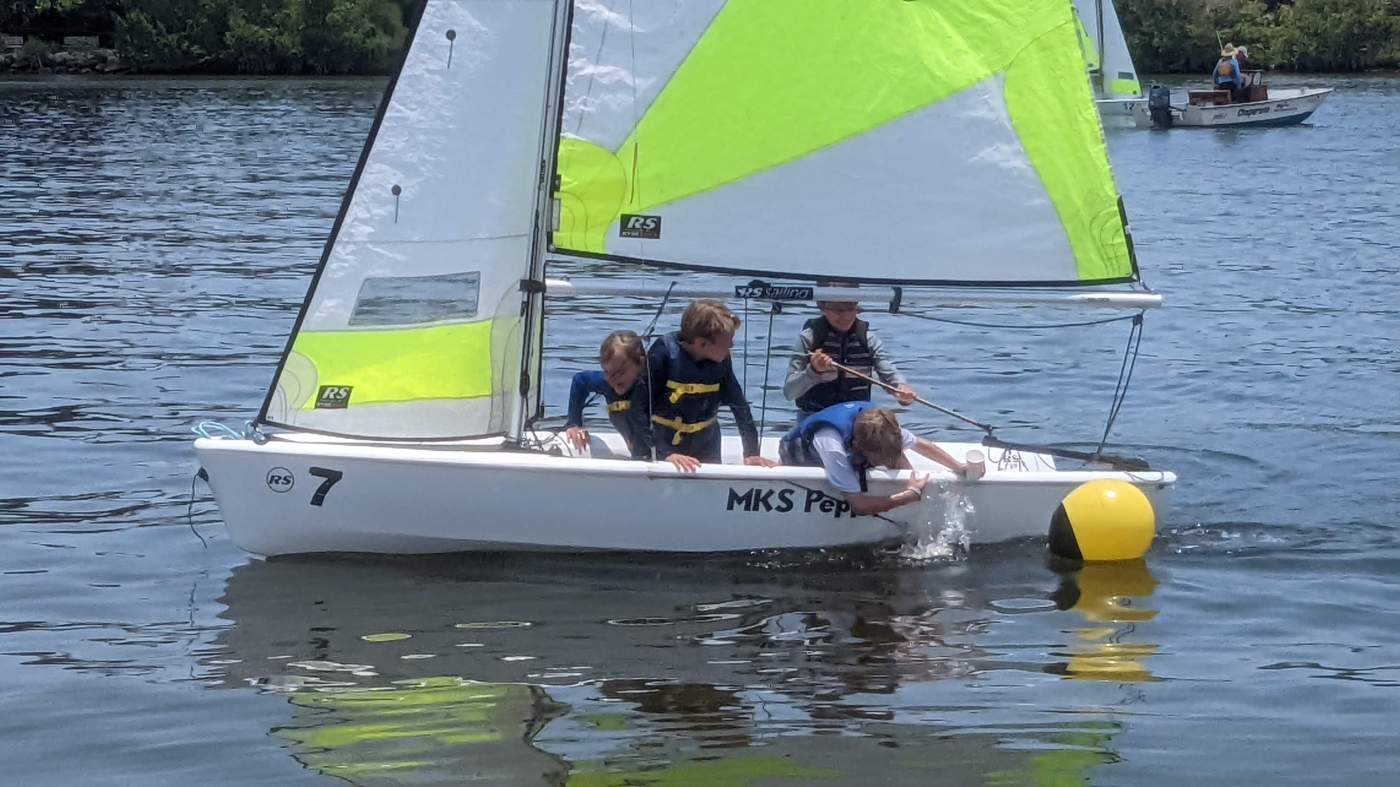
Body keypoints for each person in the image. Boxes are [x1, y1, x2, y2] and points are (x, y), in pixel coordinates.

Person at [638, 299, 778, 472]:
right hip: (666, 445)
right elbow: (639, 409)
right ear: (701, 343)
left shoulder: (722, 362)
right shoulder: (662, 355)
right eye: (728, 341)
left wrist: (751, 453)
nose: (732, 346)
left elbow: (740, 408)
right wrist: (665, 452)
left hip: (707, 442)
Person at [780, 401, 967, 516]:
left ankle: (912, 491)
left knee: (898, 455)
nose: (886, 462)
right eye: (881, 458)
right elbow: (859, 506)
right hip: (800, 457)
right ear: (858, 447)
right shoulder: (832, 444)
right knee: (894, 479)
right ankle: (910, 495)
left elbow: (923, 446)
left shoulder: (883, 428)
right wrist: (907, 497)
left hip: (855, 447)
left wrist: (959, 467)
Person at [783, 292, 916, 419]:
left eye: (851, 308)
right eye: (838, 310)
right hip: (816, 417)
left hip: (858, 418)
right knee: (829, 438)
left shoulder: (868, 340)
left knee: (898, 436)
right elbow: (789, 392)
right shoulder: (808, 338)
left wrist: (901, 390)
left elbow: (890, 375)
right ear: (822, 306)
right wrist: (813, 371)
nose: (846, 316)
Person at [564, 330, 647, 457]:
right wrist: (574, 424)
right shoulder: (608, 384)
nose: (613, 379)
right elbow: (580, 381)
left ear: (640, 364)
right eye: (607, 372)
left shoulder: (654, 387)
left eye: (619, 372)